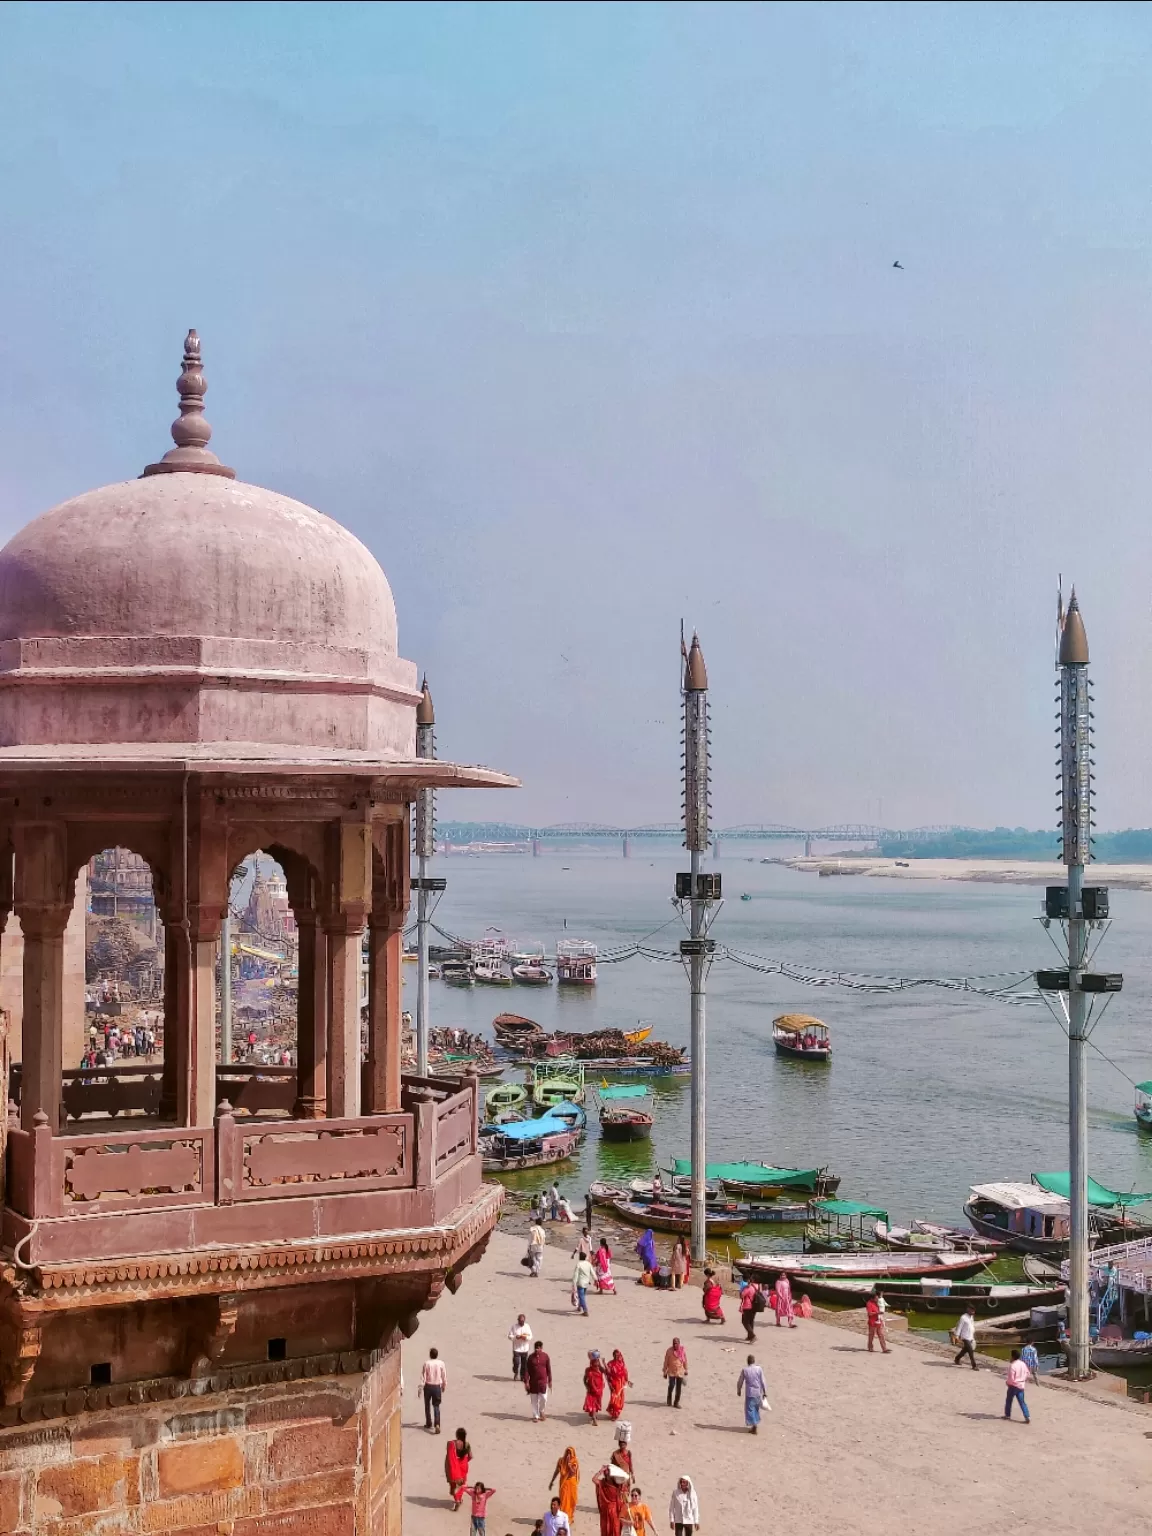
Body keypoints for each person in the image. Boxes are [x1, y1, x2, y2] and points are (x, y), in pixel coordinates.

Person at [593, 1465, 629, 1536]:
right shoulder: (603, 1483)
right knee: (606, 1528)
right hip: (606, 1510)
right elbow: (594, 1479)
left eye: (608, 1474)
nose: (607, 1476)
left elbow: (625, 1495)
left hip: (615, 1510)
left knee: (615, 1528)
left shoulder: (618, 1485)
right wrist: (601, 1471)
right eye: (606, 1474)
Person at [737, 1354, 769, 1432]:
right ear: (754, 1361)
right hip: (758, 1392)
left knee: (749, 1409)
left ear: (747, 1362)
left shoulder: (745, 1370)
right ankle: (755, 1423)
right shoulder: (759, 1369)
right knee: (756, 1408)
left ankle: (754, 1425)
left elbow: (740, 1381)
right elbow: (763, 1381)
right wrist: (765, 1391)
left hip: (750, 1393)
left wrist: (739, 1390)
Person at [548, 1446, 579, 1527]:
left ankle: (570, 1518)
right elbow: (557, 1471)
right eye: (567, 1452)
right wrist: (552, 1481)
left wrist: (569, 1464)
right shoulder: (561, 1461)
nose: (568, 1454)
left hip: (572, 1485)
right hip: (564, 1485)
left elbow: (573, 1473)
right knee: (564, 1501)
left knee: (572, 1501)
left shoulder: (574, 1461)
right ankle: (564, 1518)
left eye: (570, 1453)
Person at [524, 1339, 552, 1421]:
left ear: (541, 1348)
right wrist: (526, 1381)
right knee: (534, 1399)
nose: (537, 1349)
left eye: (539, 1347)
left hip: (543, 1381)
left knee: (544, 1397)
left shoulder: (545, 1356)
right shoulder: (530, 1357)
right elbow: (527, 1370)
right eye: (536, 1347)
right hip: (533, 1382)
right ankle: (535, 1415)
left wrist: (550, 1380)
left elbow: (549, 1369)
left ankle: (541, 1411)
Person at [420, 1347, 447, 1432]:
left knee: (427, 1405)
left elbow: (423, 1376)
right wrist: (444, 1385)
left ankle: (428, 1423)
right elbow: (444, 1375)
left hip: (428, 1386)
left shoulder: (426, 1363)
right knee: (436, 1405)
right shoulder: (441, 1363)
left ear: (430, 1355)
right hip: (436, 1387)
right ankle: (437, 1424)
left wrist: (420, 1387)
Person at [445, 1427, 471, 1508]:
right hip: (463, 1466)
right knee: (461, 1484)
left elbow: (450, 1457)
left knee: (453, 1484)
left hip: (454, 1467)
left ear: (457, 1435)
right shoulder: (467, 1444)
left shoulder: (452, 1443)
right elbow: (470, 1456)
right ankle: (459, 1498)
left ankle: (457, 1500)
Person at [1004, 1348, 1032, 1423]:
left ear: (1012, 1357)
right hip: (1021, 1385)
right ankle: (1027, 1416)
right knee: (1022, 1402)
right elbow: (1027, 1373)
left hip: (1013, 1386)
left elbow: (1011, 1379)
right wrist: (1022, 1380)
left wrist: (1007, 1383)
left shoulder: (1012, 1366)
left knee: (1009, 1401)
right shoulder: (1022, 1364)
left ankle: (1007, 1415)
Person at [605, 1348, 631, 1420]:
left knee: (620, 1399)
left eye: (618, 1355)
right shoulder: (610, 1364)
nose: (617, 1356)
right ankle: (614, 1413)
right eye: (615, 1355)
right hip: (614, 1383)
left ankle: (616, 1414)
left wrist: (627, 1380)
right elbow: (607, 1373)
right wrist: (610, 1384)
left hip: (621, 1383)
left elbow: (625, 1372)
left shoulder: (621, 1363)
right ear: (613, 1355)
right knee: (614, 1398)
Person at [662, 1337, 687, 1407]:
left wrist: (686, 1369)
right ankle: (669, 1401)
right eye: (674, 1343)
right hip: (671, 1372)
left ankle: (676, 1403)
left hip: (680, 1371)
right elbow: (666, 1362)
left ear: (679, 1343)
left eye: (676, 1343)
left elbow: (685, 1361)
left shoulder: (682, 1351)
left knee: (678, 1388)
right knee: (671, 1386)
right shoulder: (669, 1351)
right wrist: (664, 1372)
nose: (675, 1345)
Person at [583, 1349, 606, 1424]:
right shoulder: (588, 1370)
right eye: (595, 1363)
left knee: (596, 1403)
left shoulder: (599, 1368)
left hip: (599, 1388)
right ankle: (594, 1418)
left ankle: (594, 1415)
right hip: (592, 1389)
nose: (596, 1365)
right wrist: (587, 1386)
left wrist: (604, 1363)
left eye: (597, 1363)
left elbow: (606, 1372)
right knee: (592, 1403)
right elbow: (584, 1379)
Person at [865, 1288, 890, 1353]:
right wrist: (878, 1313)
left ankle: (884, 1348)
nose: (877, 1299)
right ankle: (870, 1347)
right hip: (872, 1322)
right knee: (871, 1335)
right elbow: (870, 1313)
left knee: (881, 1334)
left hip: (878, 1321)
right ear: (872, 1298)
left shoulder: (876, 1303)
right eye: (876, 1298)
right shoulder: (869, 1304)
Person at [953, 1305, 978, 1370]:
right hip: (965, 1337)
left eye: (974, 1310)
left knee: (965, 1350)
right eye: (971, 1310)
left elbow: (971, 1326)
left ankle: (957, 1359)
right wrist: (957, 1336)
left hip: (970, 1336)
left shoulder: (971, 1317)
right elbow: (960, 1327)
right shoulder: (963, 1317)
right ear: (968, 1309)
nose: (973, 1311)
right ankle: (974, 1365)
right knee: (970, 1351)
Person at [509, 1314, 533, 1380]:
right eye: (520, 1321)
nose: (521, 1322)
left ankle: (522, 1376)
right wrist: (516, 1337)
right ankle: (516, 1372)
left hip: (525, 1348)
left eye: (522, 1321)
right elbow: (510, 1336)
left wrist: (525, 1338)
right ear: (518, 1320)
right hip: (516, 1348)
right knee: (516, 1362)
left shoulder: (527, 1326)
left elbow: (530, 1336)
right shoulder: (514, 1327)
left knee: (524, 1364)